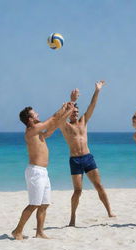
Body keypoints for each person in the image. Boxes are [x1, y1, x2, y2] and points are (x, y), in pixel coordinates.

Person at [12, 102, 74, 240]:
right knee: (34, 203)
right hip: (35, 172)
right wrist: (64, 107)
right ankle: (17, 230)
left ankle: (39, 232)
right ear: (30, 119)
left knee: (45, 203)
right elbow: (52, 119)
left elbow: (54, 124)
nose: (38, 114)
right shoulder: (32, 130)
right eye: (35, 113)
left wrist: (69, 110)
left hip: (43, 172)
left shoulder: (38, 132)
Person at [59, 81, 115, 226]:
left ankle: (109, 211)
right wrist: (71, 101)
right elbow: (58, 117)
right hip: (75, 160)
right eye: (73, 112)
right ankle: (72, 218)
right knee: (78, 191)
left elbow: (92, 106)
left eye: (77, 112)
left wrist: (97, 90)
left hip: (88, 158)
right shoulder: (65, 126)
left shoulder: (83, 121)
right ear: (69, 112)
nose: (76, 114)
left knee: (99, 186)